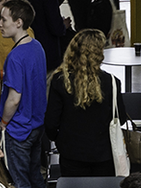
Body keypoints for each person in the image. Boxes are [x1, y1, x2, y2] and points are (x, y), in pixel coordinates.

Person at [0, 0, 52, 188]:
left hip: (18, 130)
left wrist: (3, 123)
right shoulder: (37, 47)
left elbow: (14, 97)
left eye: (4, 19)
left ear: (18, 22)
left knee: (21, 186)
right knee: (37, 181)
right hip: (36, 126)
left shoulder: (15, 57)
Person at [44, 28, 119, 177]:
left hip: (71, 152)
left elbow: (51, 123)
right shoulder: (111, 81)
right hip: (104, 154)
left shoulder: (60, 81)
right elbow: (119, 117)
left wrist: (60, 139)